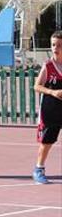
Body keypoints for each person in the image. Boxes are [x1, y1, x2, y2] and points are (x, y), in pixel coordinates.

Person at [31, 31, 62, 184]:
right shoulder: (48, 66)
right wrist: (52, 92)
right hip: (51, 109)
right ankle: (39, 169)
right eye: (53, 45)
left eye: (59, 45)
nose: (56, 48)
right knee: (47, 141)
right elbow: (36, 86)